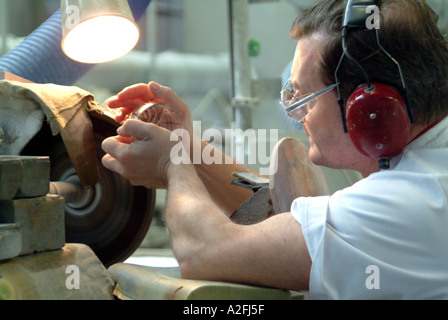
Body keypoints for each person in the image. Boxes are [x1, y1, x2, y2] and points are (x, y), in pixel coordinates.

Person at [101, 0, 448, 299]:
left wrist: (171, 163)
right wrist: (188, 148)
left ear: (368, 108)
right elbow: (272, 216)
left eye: (305, 99)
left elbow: (206, 252)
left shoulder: (405, 203)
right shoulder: (426, 172)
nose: (298, 116)